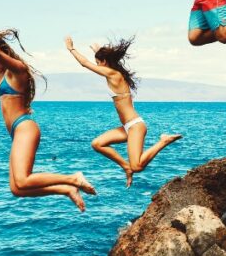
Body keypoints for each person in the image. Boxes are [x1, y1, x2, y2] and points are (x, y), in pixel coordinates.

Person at [0, 18, 96, 211]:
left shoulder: (18, 70)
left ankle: (73, 178)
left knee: (23, 179)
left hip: (25, 127)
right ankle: (66, 189)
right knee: (17, 188)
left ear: (2, 54)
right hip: (16, 132)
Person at [65, 36, 181, 188]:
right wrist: (99, 51)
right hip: (127, 127)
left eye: (98, 63)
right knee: (97, 144)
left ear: (104, 62)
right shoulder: (115, 72)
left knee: (137, 167)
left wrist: (71, 49)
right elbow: (102, 62)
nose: (98, 66)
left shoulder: (114, 75)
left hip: (135, 126)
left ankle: (164, 141)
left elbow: (84, 63)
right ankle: (125, 167)